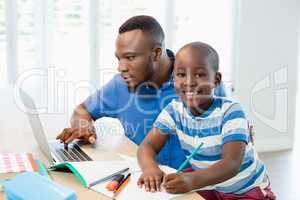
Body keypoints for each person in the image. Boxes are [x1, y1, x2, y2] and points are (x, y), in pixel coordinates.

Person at [56, 15, 226, 169]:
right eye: (119, 58)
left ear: (156, 53)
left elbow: (233, 130)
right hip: (144, 183)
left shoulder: (200, 82)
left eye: (130, 57)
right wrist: (84, 125)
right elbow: (82, 110)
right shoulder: (120, 85)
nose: (121, 67)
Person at [137, 42, 275, 199]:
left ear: (216, 80)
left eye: (199, 74)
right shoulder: (174, 110)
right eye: (181, 75)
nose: (189, 82)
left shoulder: (231, 111)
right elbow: (147, 146)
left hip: (245, 190)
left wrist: (191, 180)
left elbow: (231, 164)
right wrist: (149, 168)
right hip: (207, 184)